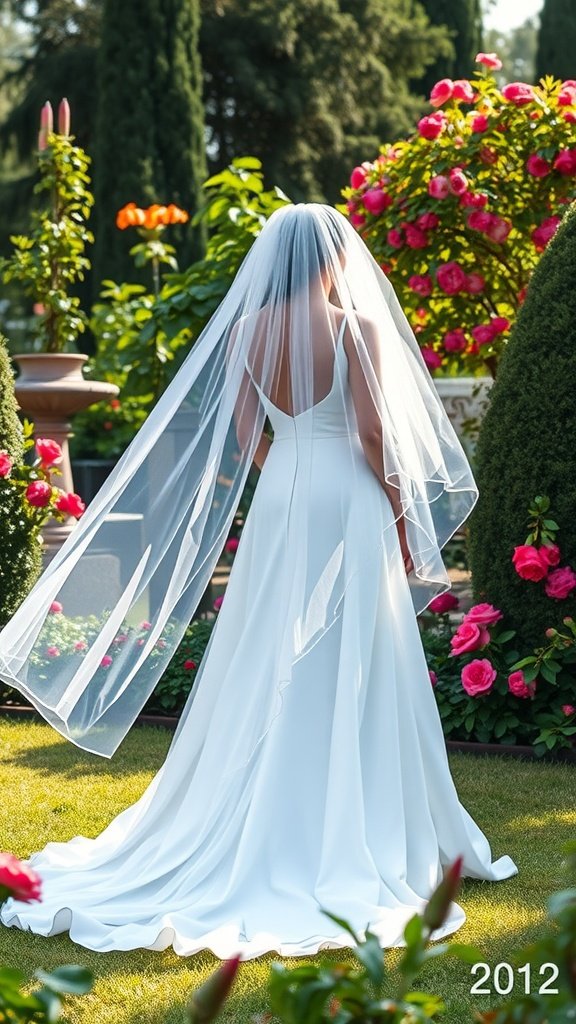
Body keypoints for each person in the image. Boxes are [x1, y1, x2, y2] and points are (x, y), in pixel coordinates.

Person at [0, 203, 517, 959]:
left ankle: (268, 793)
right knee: (353, 640)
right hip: (349, 492)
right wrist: (402, 511)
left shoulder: (248, 331)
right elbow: (374, 432)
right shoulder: (354, 327)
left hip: (284, 500)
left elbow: (247, 433)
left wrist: (291, 480)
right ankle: (351, 813)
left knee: (269, 640)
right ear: (332, 257)